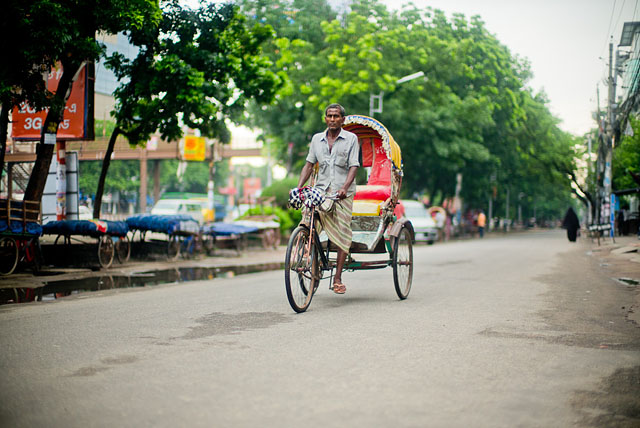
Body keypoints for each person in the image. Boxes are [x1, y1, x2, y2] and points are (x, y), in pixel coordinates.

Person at [296, 103, 359, 294]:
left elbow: (354, 166)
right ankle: (308, 258)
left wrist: (344, 188)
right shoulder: (317, 139)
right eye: (329, 116)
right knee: (308, 218)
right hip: (321, 190)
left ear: (343, 119)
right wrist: (298, 188)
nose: (332, 119)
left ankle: (338, 278)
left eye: (336, 116)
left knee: (342, 231)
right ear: (325, 119)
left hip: (342, 194)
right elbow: (308, 165)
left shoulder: (351, 139)